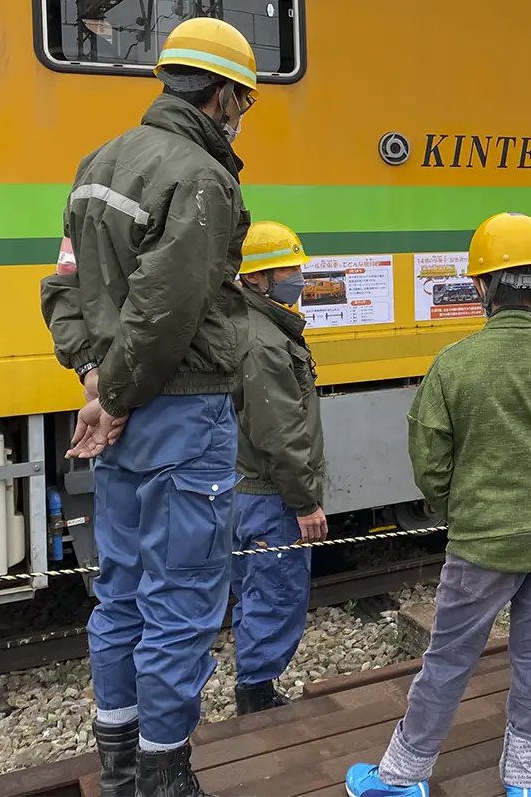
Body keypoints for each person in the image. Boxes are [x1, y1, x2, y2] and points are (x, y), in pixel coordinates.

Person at [40, 17, 258, 797]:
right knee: (183, 598)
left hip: (124, 409)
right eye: (244, 100)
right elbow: (167, 310)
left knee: (122, 592)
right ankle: (164, 771)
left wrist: (92, 379)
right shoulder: (200, 177)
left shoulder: (97, 164)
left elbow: (63, 287)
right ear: (222, 94)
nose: (242, 115)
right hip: (179, 412)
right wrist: (118, 395)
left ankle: (119, 764)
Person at [346, 212, 531, 797]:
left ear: (479, 286)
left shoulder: (453, 365)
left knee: (448, 659)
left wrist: (458, 508)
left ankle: (402, 774)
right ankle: (524, 779)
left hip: (480, 543)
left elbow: (429, 461)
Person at [231, 221, 327, 715]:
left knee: (256, 589)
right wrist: (305, 502)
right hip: (270, 496)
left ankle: (254, 684)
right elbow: (279, 434)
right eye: (286, 270)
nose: (298, 278)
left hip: (250, 489)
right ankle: (257, 698)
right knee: (276, 592)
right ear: (256, 277)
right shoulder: (265, 343)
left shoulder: (257, 325)